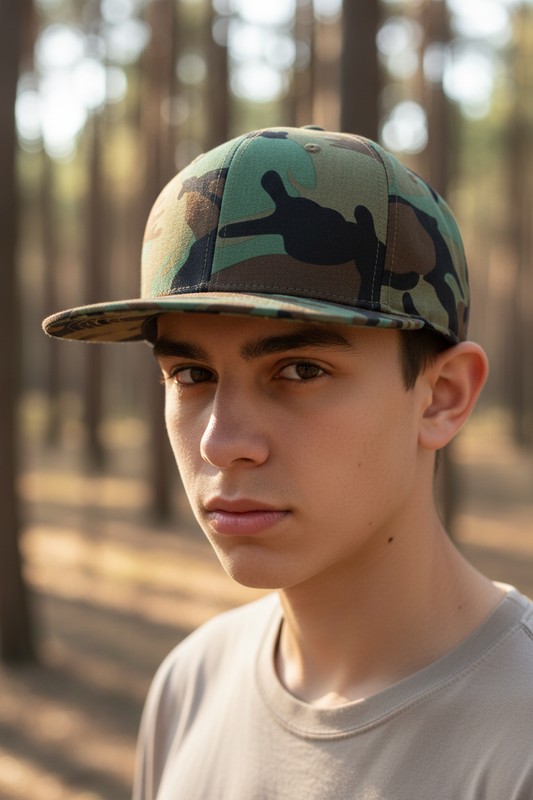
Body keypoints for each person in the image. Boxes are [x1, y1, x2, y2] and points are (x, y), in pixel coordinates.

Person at [43, 126, 533, 799]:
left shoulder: (517, 740)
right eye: (191, 374)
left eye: (300, 370)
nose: (222, 443)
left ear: (441, 397)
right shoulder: (192, 683)